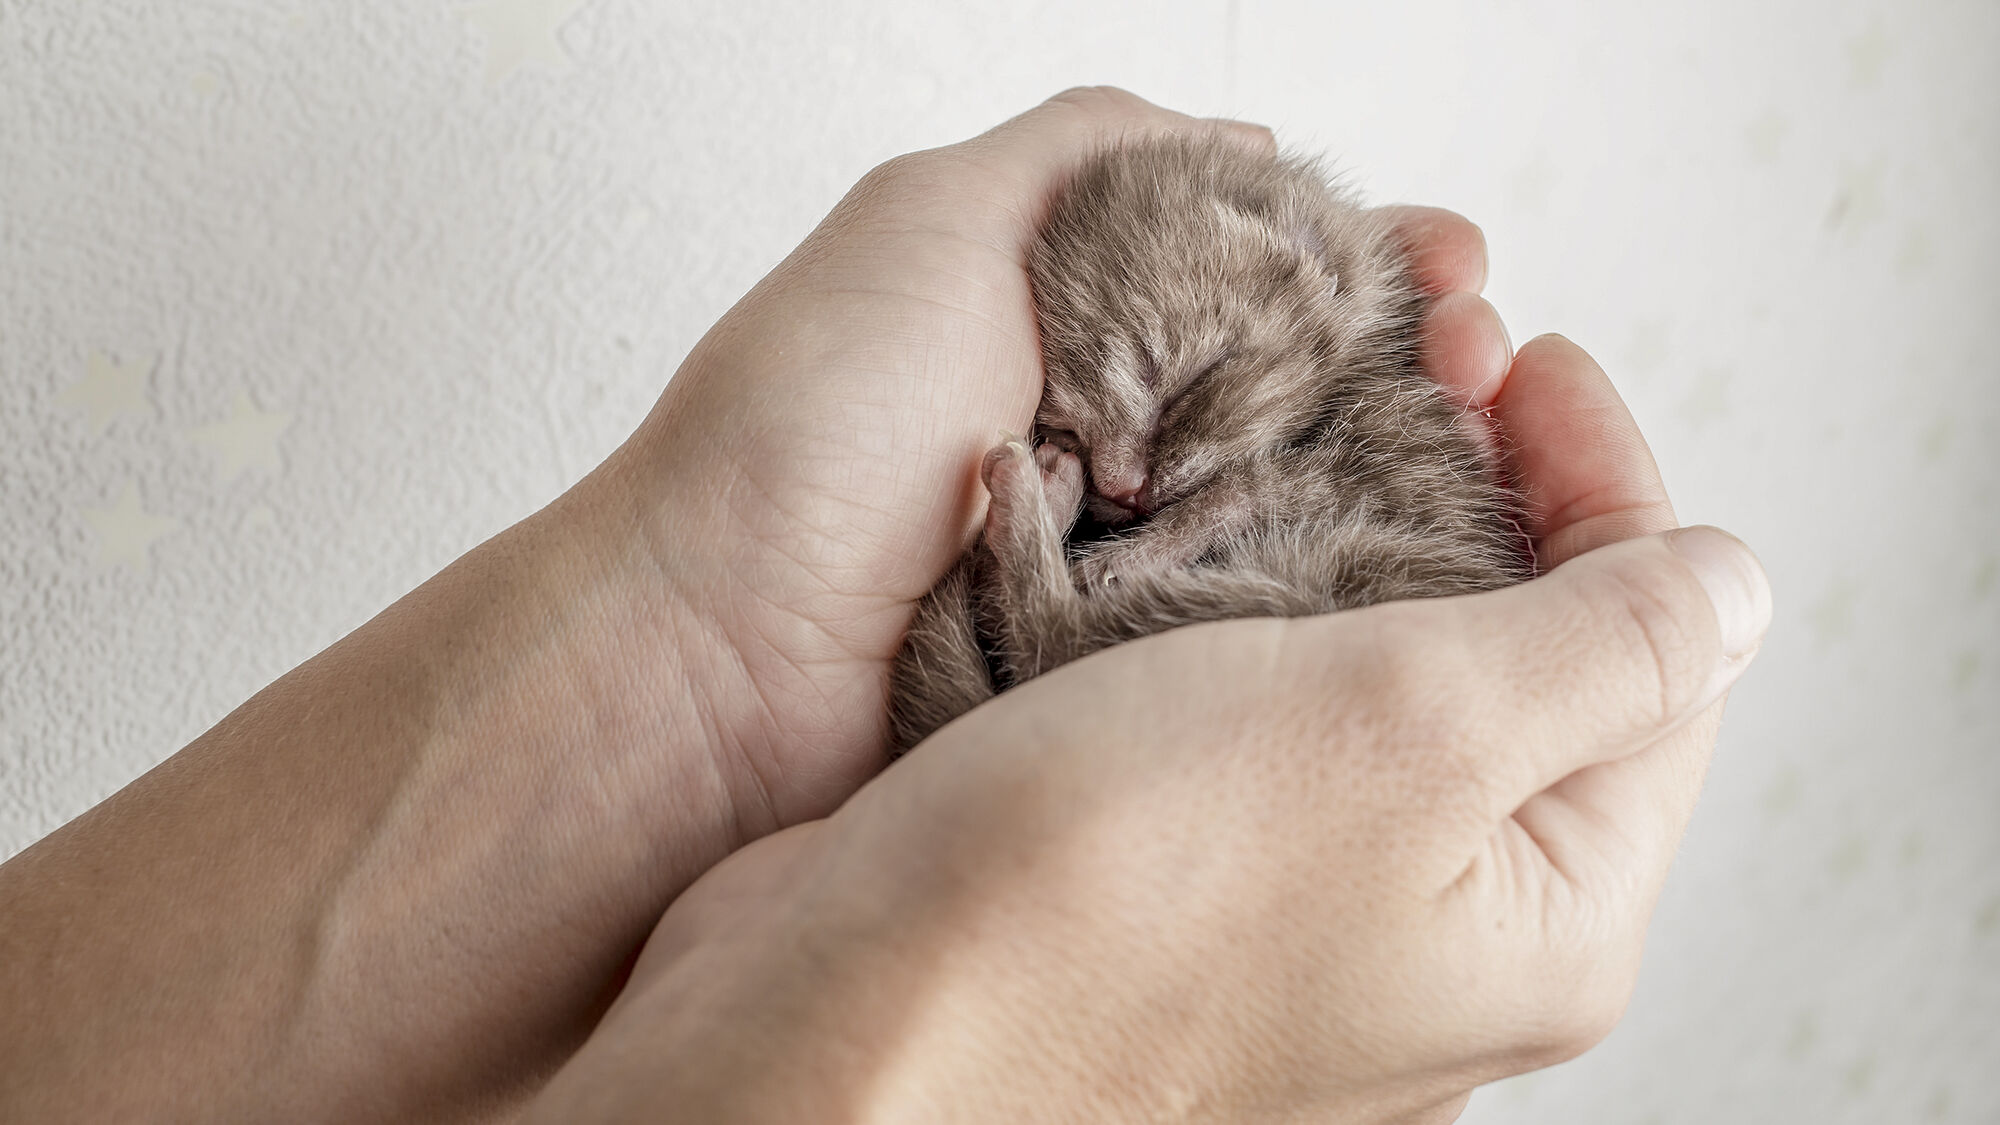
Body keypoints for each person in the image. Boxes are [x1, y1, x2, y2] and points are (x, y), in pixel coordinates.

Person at [0, 88, 1769, 1122]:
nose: (1129, 466)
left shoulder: (1317, 374)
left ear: (1301, 269)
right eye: (1098, 394)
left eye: (1158, 384)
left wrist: (710, 655)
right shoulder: (1135, 375)